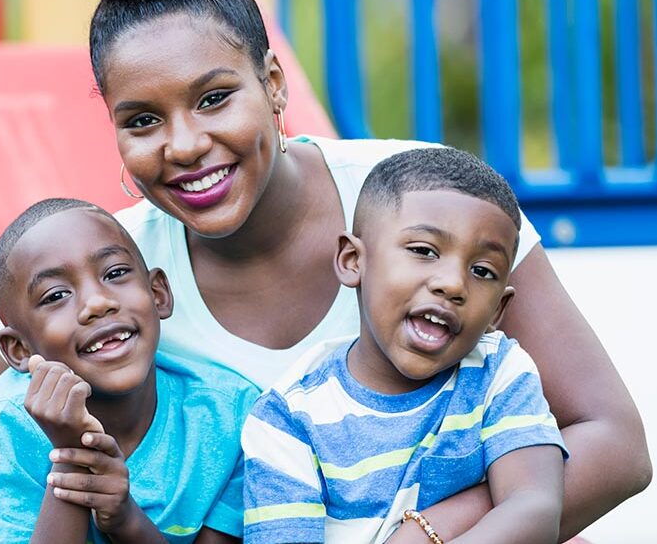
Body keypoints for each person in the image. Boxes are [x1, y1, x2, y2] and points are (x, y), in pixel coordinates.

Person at [0, 0, 652, 542]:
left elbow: (612, 443)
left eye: (216, 98)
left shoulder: (424, 207)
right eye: (142, 120)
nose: (186, 145)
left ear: (274, 83)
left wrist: (425, 531)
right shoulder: (109, 281)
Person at [242, 148, 565, 544]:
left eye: (482, 271)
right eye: (424, 251)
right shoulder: (288, 418)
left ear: (498, 309)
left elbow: (534, 507)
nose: (452, 284)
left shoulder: (499, 373)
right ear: (352, 260)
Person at [0, 198, 255, 544]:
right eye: (56, 295)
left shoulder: (229, 416)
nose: (97, 303)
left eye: (115, 273)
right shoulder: (6, 428)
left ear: (158, 294)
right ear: (19, 350)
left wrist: (126, 519)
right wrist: (72, 461)